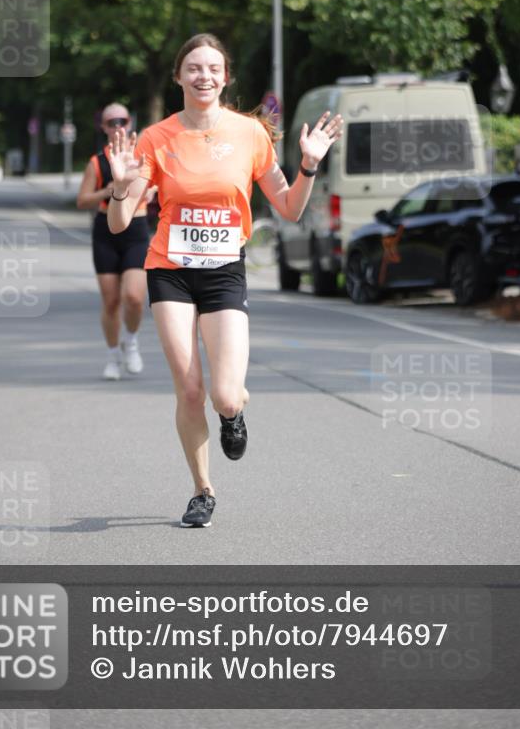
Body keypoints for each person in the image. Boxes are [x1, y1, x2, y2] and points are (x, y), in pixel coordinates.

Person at [106, 34, 343, 527]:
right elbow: (119, 223)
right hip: (169, 270)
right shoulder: (155, 138)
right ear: (178, 78)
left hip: (223, 273)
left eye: (213, 68)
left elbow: (291, 208)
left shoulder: (250, 134)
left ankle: (233, 416)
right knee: (189, 390)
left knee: (225, 395)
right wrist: (121, 184)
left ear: (226, 77)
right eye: (193, 68)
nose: (203, 76)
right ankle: (202, 491)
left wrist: (310, 165)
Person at [77, 103, 150, 379]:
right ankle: (112, 356)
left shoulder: (144, 156)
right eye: (111, 122)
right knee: (110, 301)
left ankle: (130, 341)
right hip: (106, 230)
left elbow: (160, 184)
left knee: (133, 297)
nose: (117, 125)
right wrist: (106, 191)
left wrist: (152, 191)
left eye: (122, 120)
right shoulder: (97, 162)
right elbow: (82, 200)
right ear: (104, 127)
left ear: (130, 122)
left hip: (136, 228)